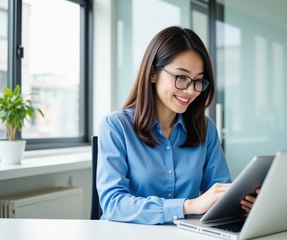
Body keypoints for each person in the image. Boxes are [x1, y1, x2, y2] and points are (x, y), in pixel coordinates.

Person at [97, 26, 257, 224]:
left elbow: (218, 192)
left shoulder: (205, 128)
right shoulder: (115, 126)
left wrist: (241, 202)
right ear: (153, 74)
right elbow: (113, 203)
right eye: (181, 77)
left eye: (198, 80)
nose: (190, 90)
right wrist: (187, 206)